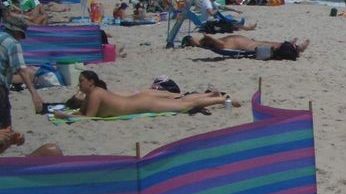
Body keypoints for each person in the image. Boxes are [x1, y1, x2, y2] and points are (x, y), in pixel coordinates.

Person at [58, 70, 231, 118]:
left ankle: (220, 99)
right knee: (181, 100)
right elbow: (82, 113)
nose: (79, 84)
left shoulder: (95, 94)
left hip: (142, 104)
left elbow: (88, 117)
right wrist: (69, 113)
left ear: (91, 82)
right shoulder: (92, 95)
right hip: (138, 101)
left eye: (81, 81)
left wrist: (64, 116)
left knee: (185, 105)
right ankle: (212, 96)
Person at [0, 22, 43, 125]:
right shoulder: (13, 44)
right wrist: (34, 93)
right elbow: (21, 70)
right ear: (16, 32)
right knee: (4, 124)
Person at [184, 32, 309, 58]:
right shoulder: (215, 44)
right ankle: (297, 48)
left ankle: (291, 44)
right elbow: (221, 45)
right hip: (249, 47)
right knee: (271, 46)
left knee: (267, 42)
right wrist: (210, 37)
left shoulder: (210, 41)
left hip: (250, 42)